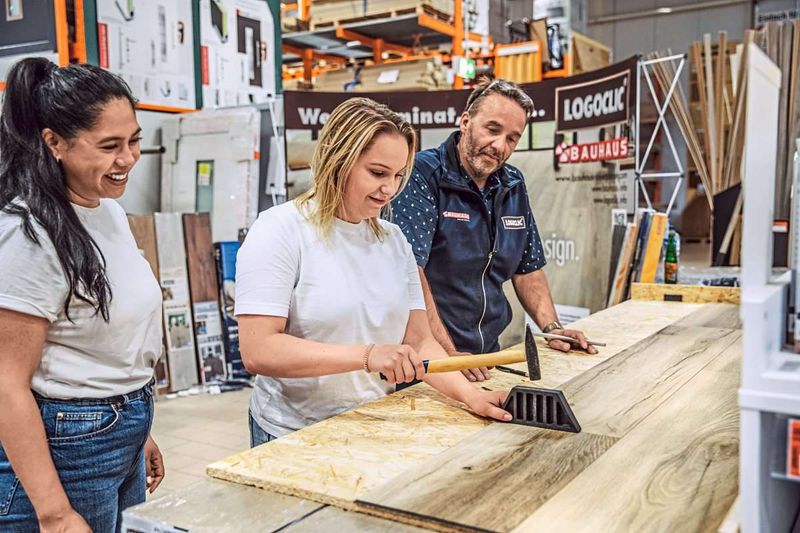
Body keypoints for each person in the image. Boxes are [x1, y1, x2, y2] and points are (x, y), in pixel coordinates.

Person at [236, 97, 512, 446]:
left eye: (398, 176)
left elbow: (419, 340)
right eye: (378, 173)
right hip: (292, 431)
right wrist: (368, 355)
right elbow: (259, 350)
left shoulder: (393, 241)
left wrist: (469, 395)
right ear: (338, 159)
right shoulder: (280, 230)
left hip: (368, 422)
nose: (390, 189)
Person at [0, 59, 165, 532]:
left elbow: (106, 342)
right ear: (54, 142)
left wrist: (137, 431)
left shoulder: (106, 211)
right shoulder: (27, 235)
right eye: (109, 146)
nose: (128, 158)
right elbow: (7, 386)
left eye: (133, 140)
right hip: (69, 445)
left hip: (118, 429)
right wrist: (54, 513)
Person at [391, 78, 597, 384]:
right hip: (429, 360)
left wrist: (551, 327)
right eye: (493, 129)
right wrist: (447, 354)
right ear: (465, 121)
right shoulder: (423, 174)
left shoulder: (513, 184)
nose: (500, 146)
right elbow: (410, 272)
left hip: (486, 357)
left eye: (512, 138)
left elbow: (528, 268)